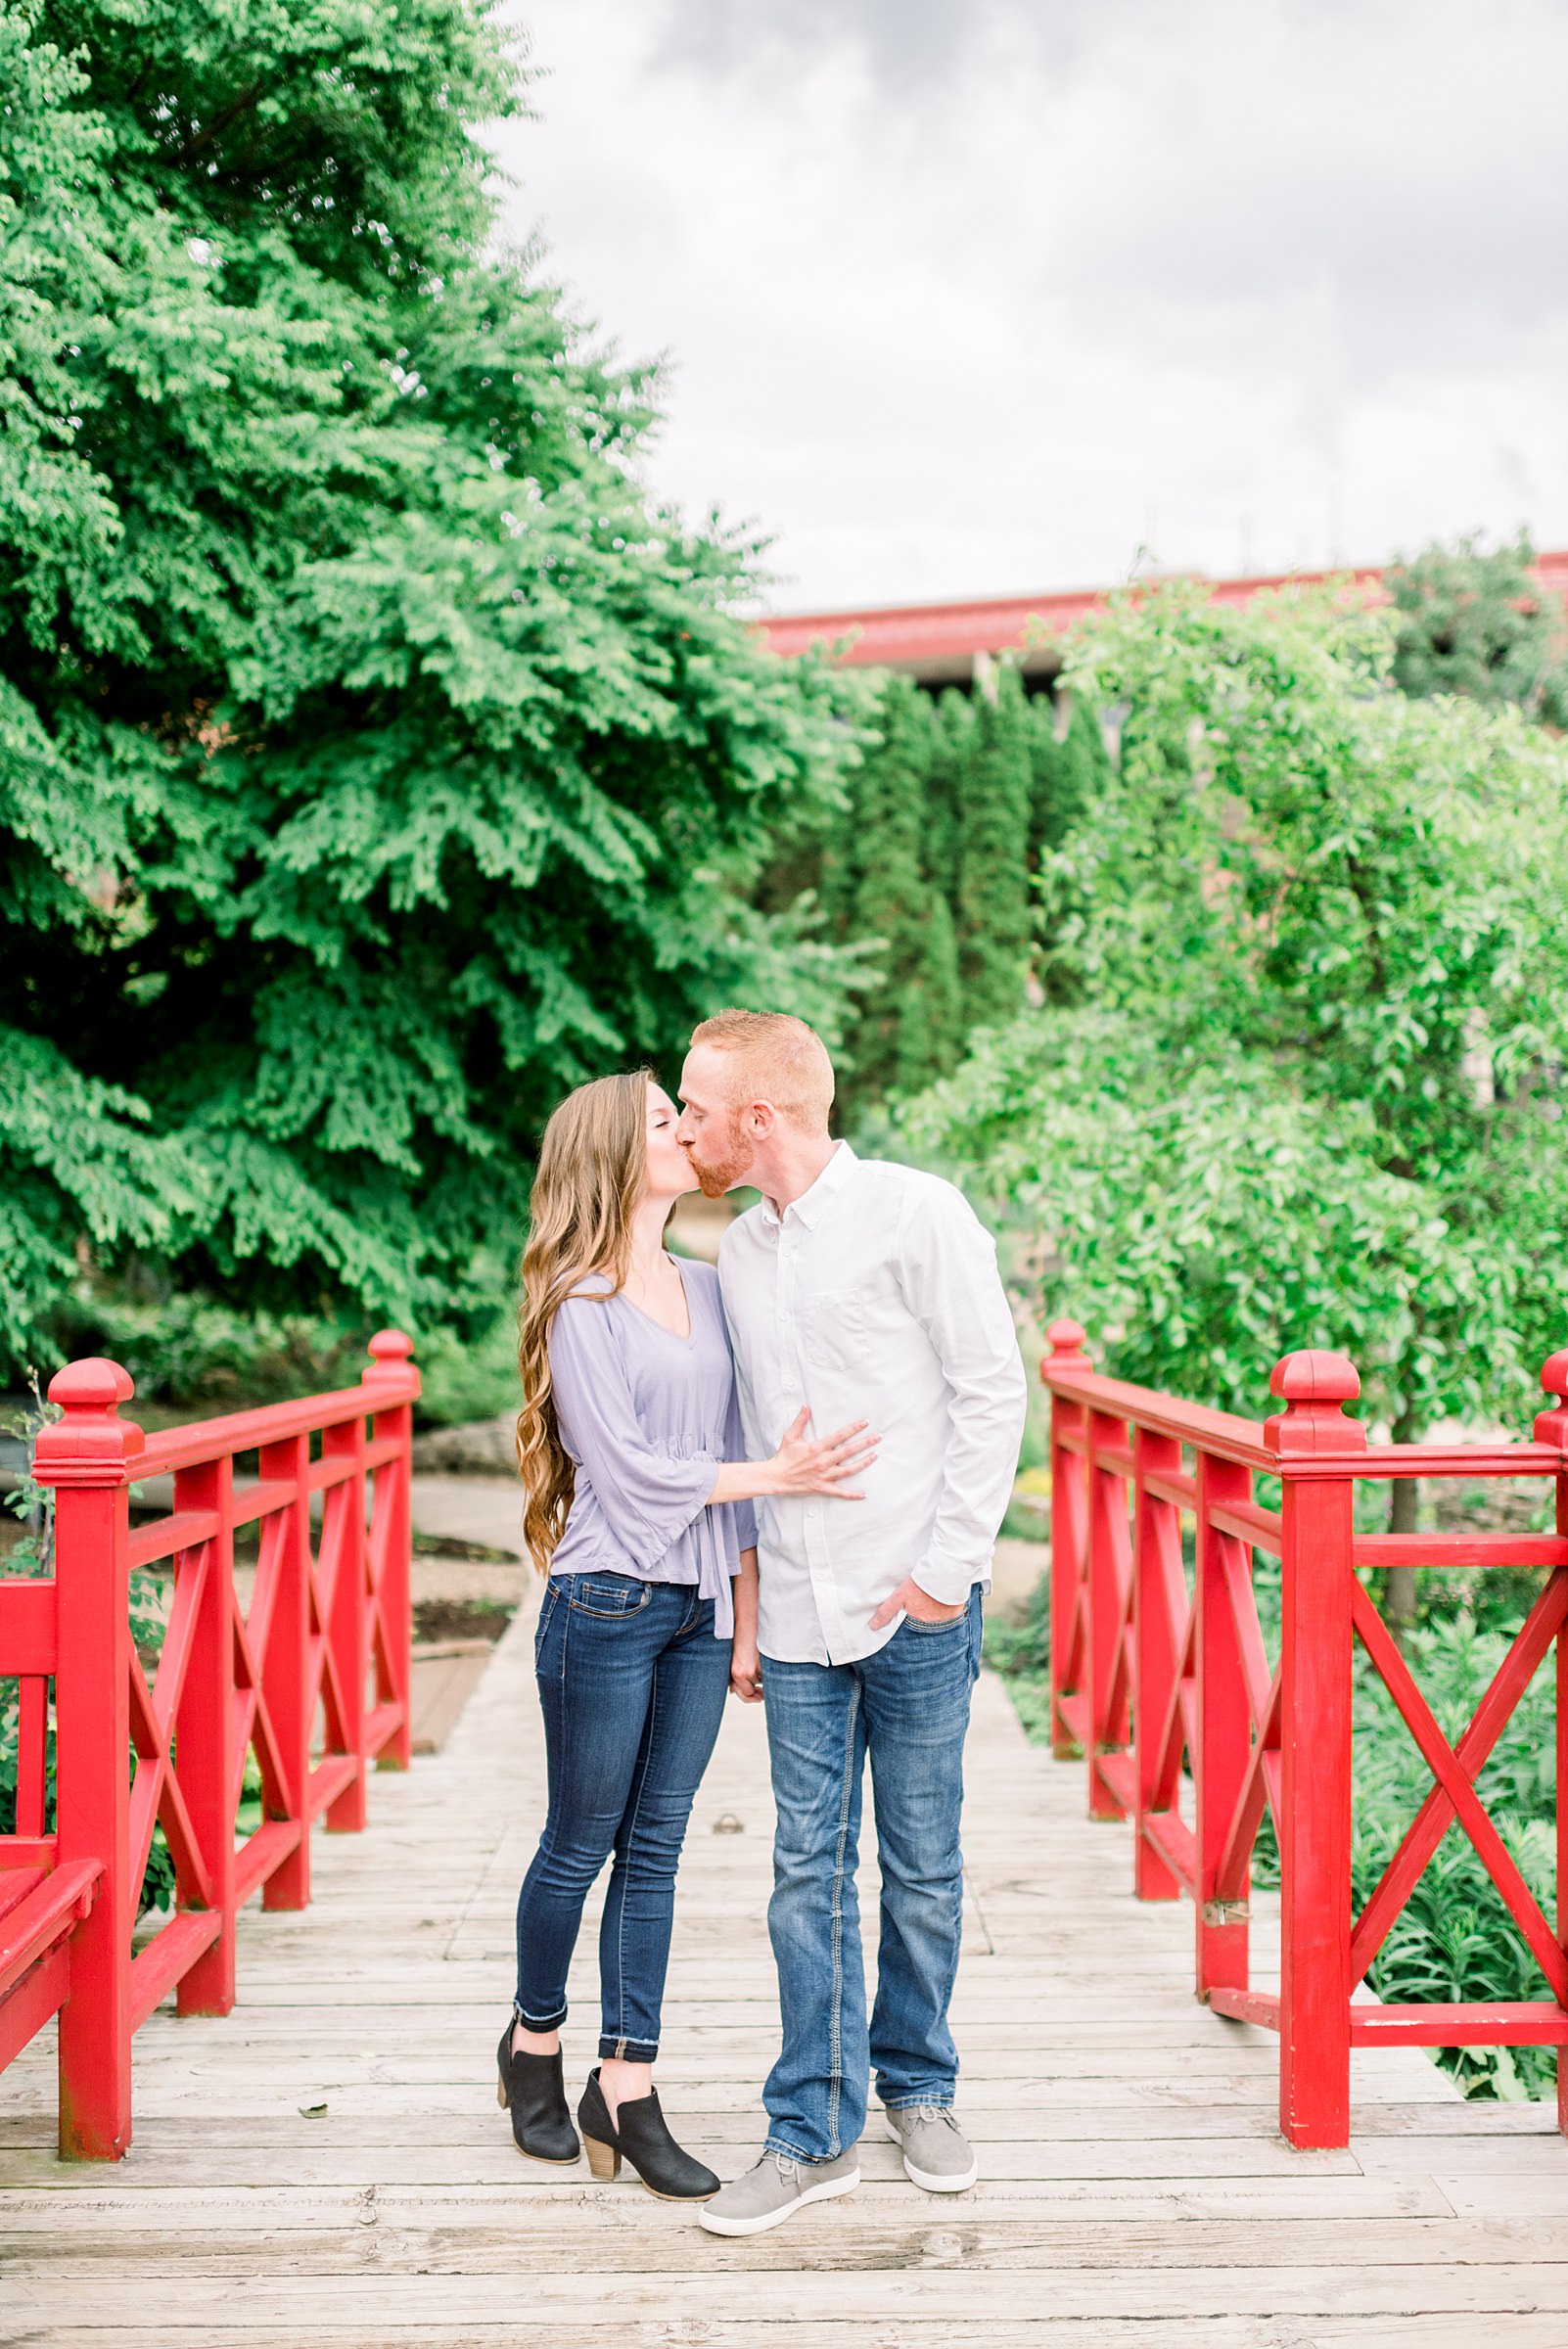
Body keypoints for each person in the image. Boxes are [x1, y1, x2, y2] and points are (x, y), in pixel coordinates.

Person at [675, 1010, 1028, 2238]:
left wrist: (944, 1572)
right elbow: (757, 1443)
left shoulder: (917, 1215)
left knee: (923, 1867)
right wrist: (753, 1602)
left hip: (912, 1598)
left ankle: (920, 2088)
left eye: (697, 1106)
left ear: (757, 1117)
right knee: (801, 1870)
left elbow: (994, 1390)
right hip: (797, 1614)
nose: (686, 1125)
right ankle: (811, 2129)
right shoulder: (740, 1253)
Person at [501, 1068, 878, 2202]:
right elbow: (630, 1473)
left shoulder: (709, 1289)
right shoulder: (578, 1305)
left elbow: (731, 1468)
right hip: (605, 1602)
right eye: (667, 1120)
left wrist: (749, 1614)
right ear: (618, 1154)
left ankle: (628, 2083)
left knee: (658, 1848)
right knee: (582, 1841)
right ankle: (531, 2044)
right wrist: (777, 1470)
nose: (687, 1132)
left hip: (703, 1611)